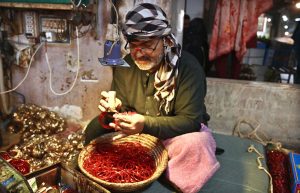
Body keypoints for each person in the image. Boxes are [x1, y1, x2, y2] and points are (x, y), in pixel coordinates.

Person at [85, 3, 219, 193]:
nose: (139, 53)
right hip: (138, 134)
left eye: (147, 45)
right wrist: (113, 109)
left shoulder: (188, 68)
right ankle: (162, 167)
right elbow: (122, 110)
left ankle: (171, 172)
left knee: (196, 144)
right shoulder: (126, 65)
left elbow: (190, 121)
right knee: (93, 130)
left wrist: (145, 124)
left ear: (165, 40)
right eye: (133, 45)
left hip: (175, 135)